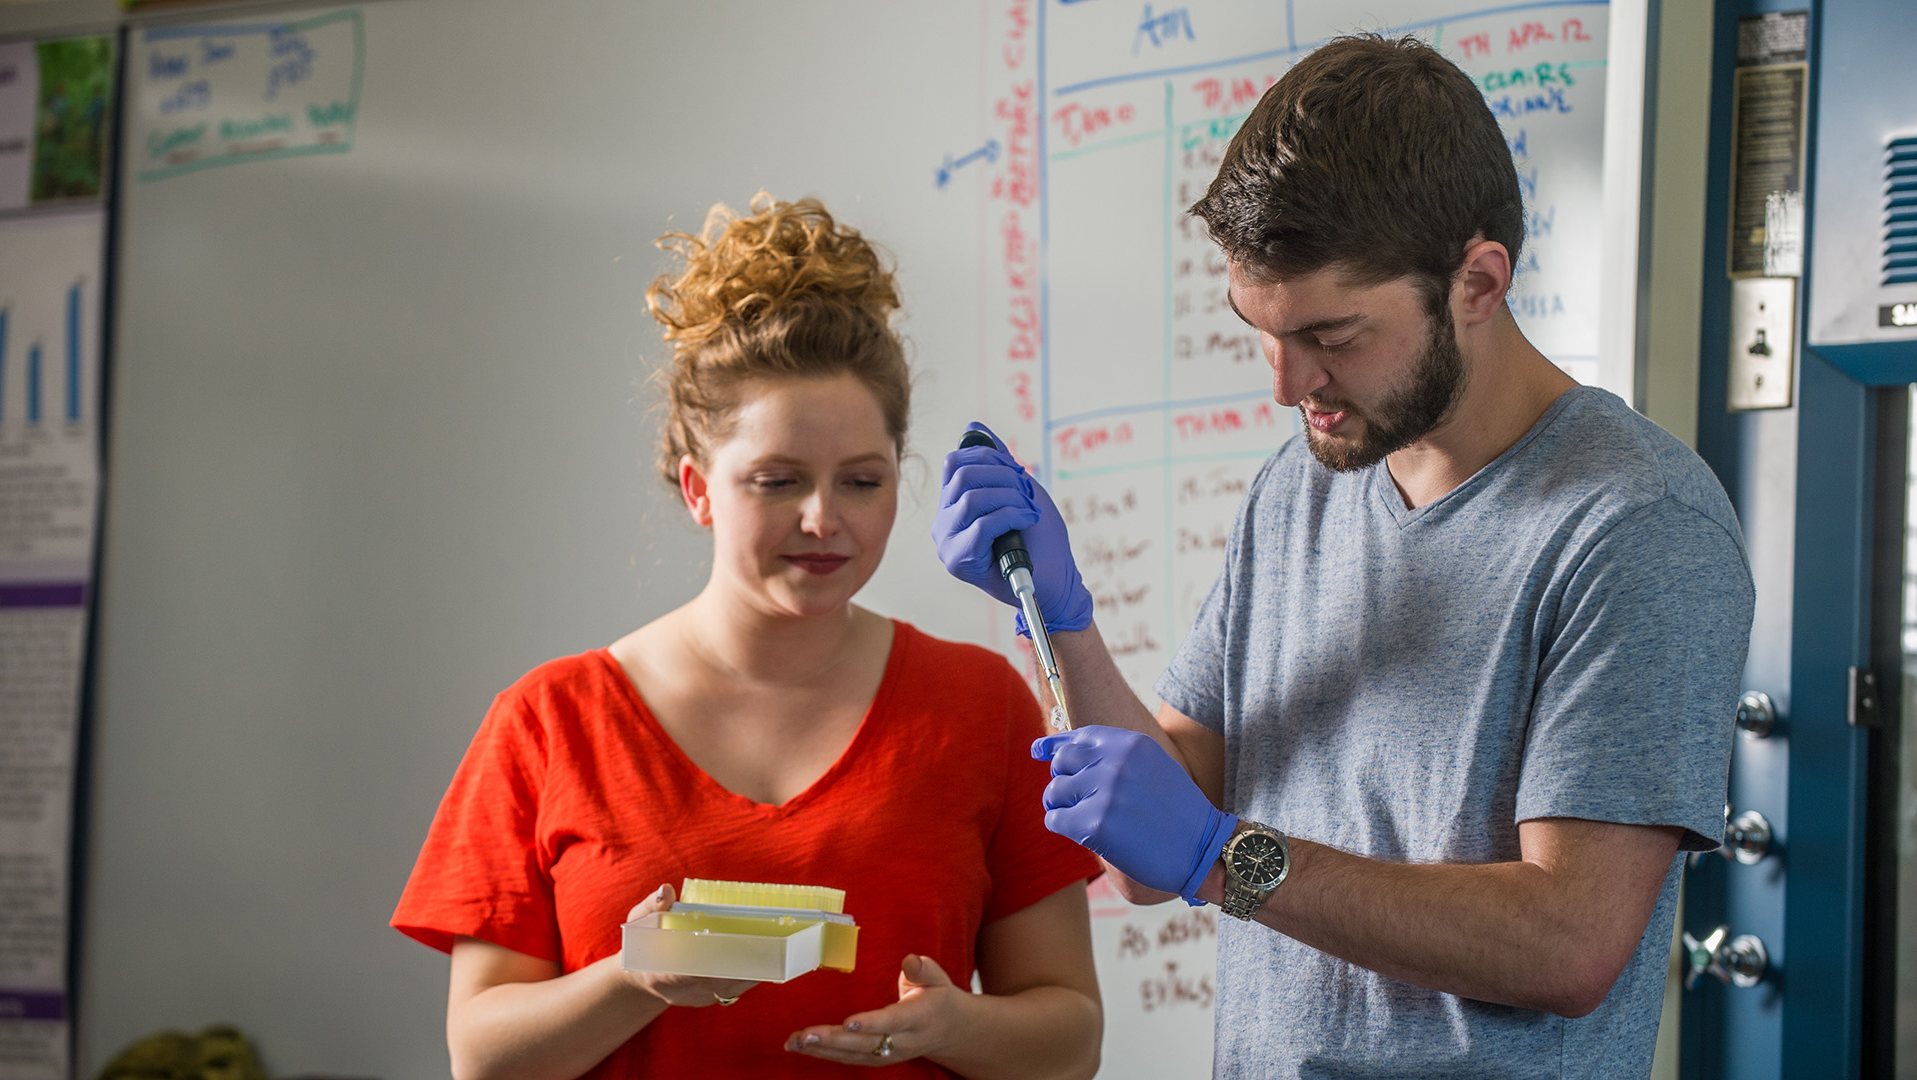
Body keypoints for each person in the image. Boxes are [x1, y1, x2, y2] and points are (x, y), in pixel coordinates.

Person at [933, 35, 1755, 1079]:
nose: (1289, 385)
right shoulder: (1303, 482)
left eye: (1334, 333)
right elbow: (1162, 831)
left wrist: (1223, 859)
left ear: (1479, 280)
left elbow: (1569, 939)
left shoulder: (1634, 524)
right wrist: (1059, 619)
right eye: (1262, 329)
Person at [394, 194, 1103, 1080]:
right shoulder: (548, 720)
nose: (822, 519)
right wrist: (635, 977)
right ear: (698, 489)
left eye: (861, 480)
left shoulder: (982, 704)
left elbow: (1070, 1039)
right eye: (776, 480)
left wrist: (953, 1028)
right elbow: (482, 1058)